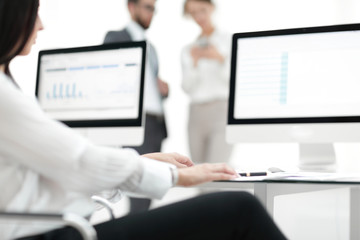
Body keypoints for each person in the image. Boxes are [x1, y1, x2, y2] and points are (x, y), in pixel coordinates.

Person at [0, 0, 287, 239]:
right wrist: (175, 176)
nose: (41, 24)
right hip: (52, 232)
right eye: (34, 10)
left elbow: (63, 173)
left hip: (58, 224)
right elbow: (79, 161)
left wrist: (146, 162)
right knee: (240, 208)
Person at [103, 0, 168, 214]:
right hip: (137, 122)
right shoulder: (115, 37)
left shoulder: (152, 47)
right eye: (147, 7)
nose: (152, 14)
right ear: (131, 7)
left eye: (154, 9)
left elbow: (150, 85)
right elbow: (111, 77)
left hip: (156, 123)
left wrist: (162, 89)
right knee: (139, 190)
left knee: (149, 191)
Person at [181, 0, 233, 168]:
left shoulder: (228, 40)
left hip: (221, 110)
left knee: (216, 171)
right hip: (196, 113)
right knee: (197, 172)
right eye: (193, 13)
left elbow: (233, 81)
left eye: (202, 10)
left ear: (212, 7)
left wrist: (219, 58)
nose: (199, 17)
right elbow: (187, 87)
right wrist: (195, 62)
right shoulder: (188, 49)